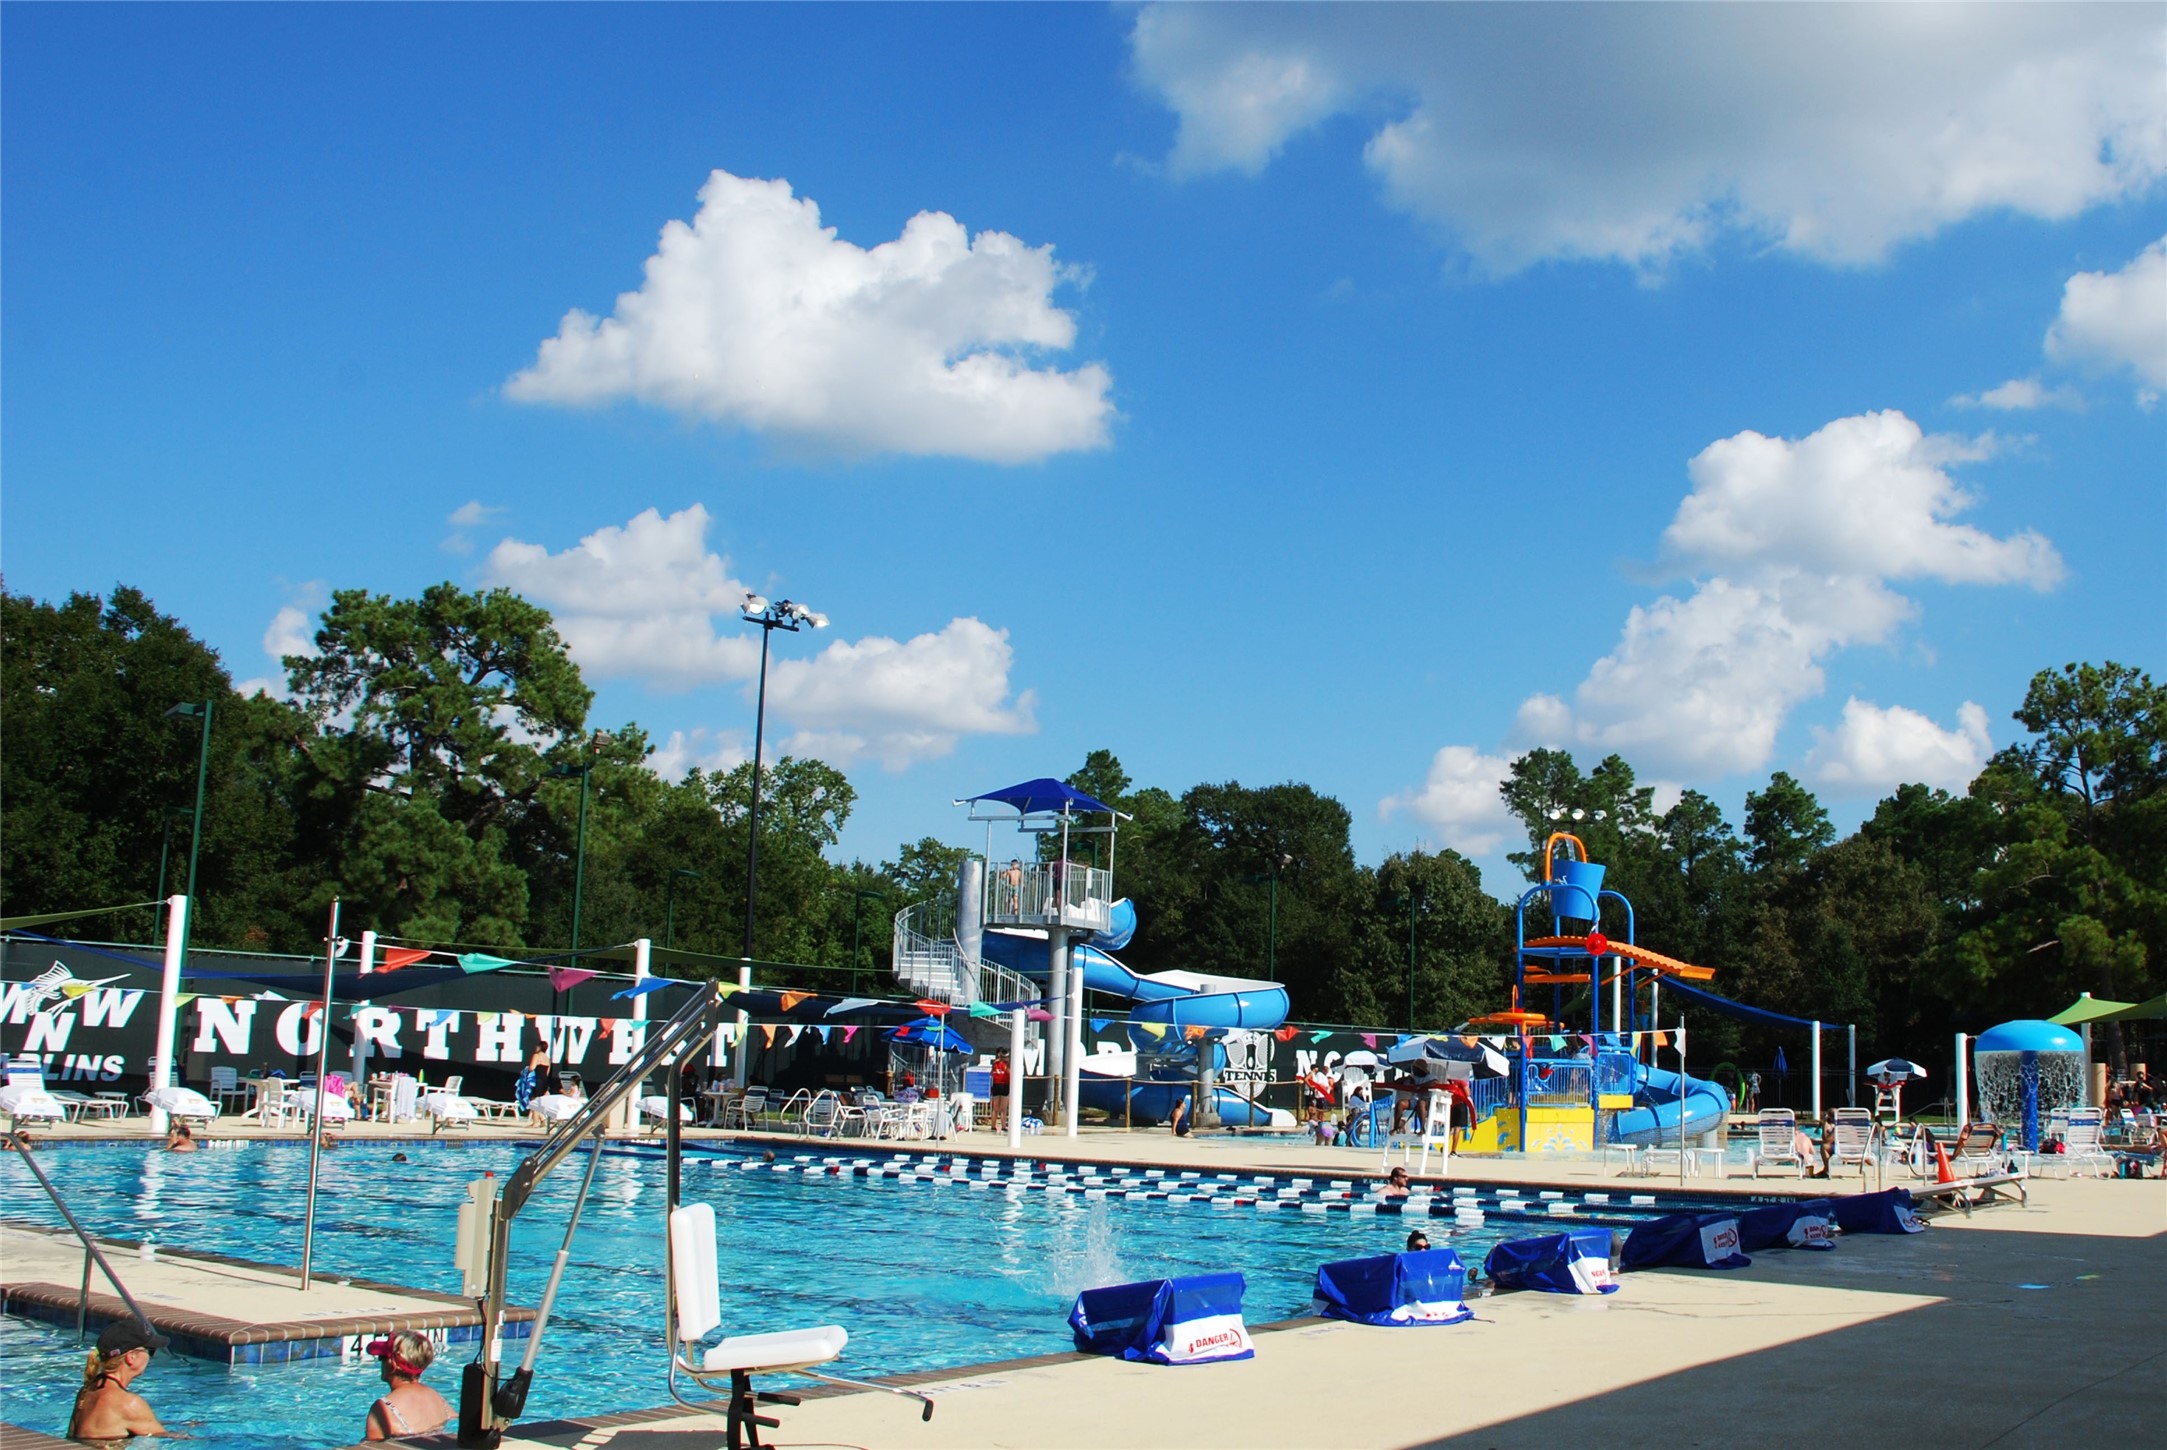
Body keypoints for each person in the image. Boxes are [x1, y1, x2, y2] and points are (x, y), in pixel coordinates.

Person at [67, 1319, 170, 1447]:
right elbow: (168, 1438)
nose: (150, 1357)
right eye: (150, 1350)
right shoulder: (129, 1403)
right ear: (131, 1357)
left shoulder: (87, 1390)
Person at [361, 1330, 453, 1442]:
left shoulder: (384, 1407)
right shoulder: (438, 1398)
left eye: (382, 1357)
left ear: (392, 1364)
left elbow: (369, 1447)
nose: (380, 1363)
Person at [989, 1051, 1011, 1125]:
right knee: (1003, 1109)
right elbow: (1009, 1073)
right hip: (1004, 1085)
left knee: (995, 1108)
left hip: (996, 1085)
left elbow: (991, 1073)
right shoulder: (1007, 1064)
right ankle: (1003, 1126)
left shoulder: (995, 1064)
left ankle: (993, 1125)